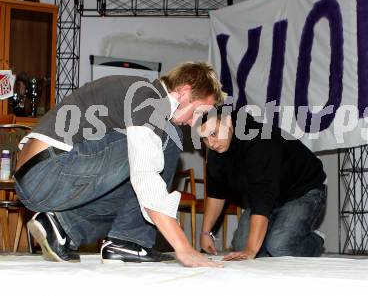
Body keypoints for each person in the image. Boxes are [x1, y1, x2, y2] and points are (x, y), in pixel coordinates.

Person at [14, 61, 224, 268]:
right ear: (184, 91)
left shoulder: (137, 92)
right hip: (49, 170)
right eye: (197, 112)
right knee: (169, 138)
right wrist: (183, 247)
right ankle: (129, 241)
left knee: (131, 200)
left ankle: (61, 226)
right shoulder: (149, 97)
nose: (193, 122)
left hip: (36, 177)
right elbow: (145, 176)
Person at [198, 108, 327, 260]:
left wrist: (251, 250)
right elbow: (216, 193)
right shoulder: (216, 152)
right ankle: (274, 236)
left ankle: (315, 241)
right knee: (241, 246)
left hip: (303, 191)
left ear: (229, 122)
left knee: (279, 247)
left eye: (213, 133)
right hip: (269, 197)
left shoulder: (258, 141)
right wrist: (205, 232)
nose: (211, 143)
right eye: (205, 139)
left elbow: (263, 196)